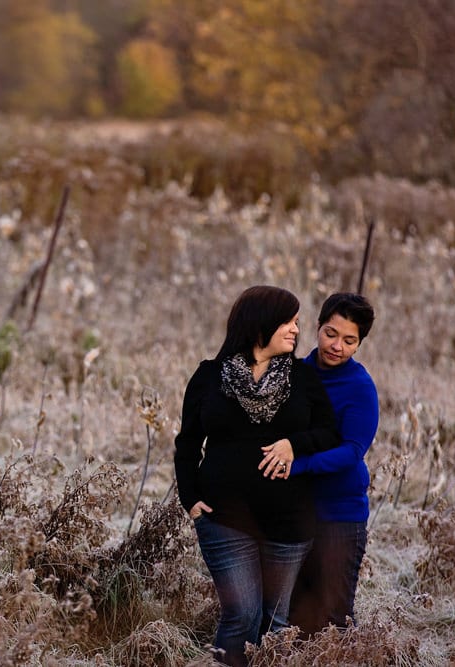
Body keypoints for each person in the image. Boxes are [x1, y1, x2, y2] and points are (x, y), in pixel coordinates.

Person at [174, 285, 339, 667]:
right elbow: (187, 444)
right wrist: (190, 500)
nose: (296, 331)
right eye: (289, 322)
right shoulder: (209, 377)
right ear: (260, 323)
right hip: (223, 517)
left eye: (298, 323)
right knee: (241, 615)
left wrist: (293, 445)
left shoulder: (302, 378)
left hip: (289, 522)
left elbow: (330, 433)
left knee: (275, 623)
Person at [279, 293, 379, 634]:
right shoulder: (294, 373)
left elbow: (352, 450)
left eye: (349, 340)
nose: (337, 345)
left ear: (359, 343)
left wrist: (299, 463)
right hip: (292, 513)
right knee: (290, 618)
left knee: (333, 620)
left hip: (339, 515)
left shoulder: (359, 387)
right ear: (318, 327)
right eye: (330, 334)